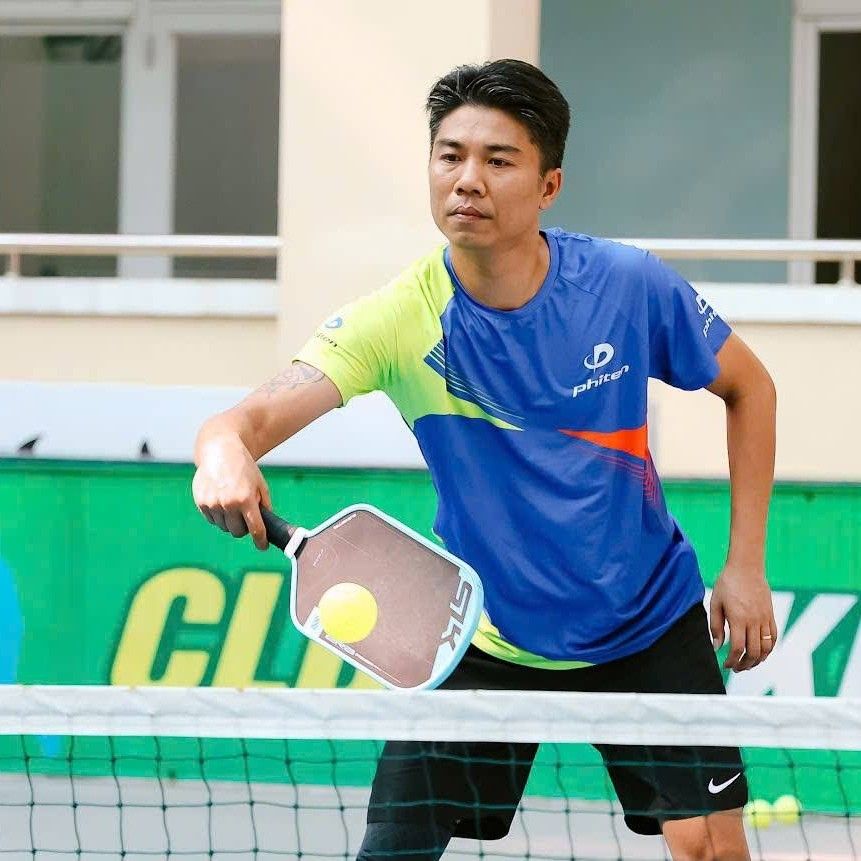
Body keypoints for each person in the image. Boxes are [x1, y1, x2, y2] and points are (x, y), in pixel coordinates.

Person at [193, 59, 777, 861]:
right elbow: (244, 420)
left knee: (707, 846)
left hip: (644, 620)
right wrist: (221, 452)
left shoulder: (626, 286)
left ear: (548, 186)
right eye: (450, 155)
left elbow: (749, 386)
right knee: (390, 853)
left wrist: (744, 565)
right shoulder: (400, 319)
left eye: (497, 160)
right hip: (478, 630)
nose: (467, 178)